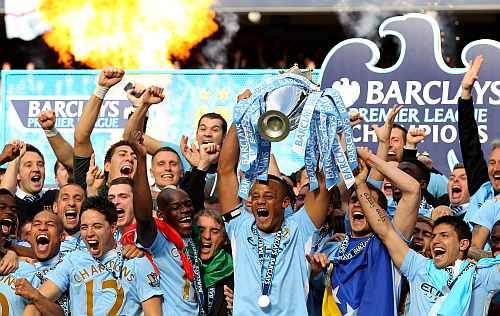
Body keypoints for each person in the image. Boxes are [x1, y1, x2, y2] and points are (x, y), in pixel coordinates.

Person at [356, 149, 500, 316]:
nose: (435, 241)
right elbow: (385, 230)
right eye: (434, 236)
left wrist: (479, 256)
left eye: (444, 235)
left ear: (463, 244)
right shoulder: (418, 267)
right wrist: (360, 184)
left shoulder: (482, 276)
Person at [217, 121, 332, 315]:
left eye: (269, 196)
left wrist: (319, 125)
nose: (260, 202)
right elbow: (225, 171)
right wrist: (240, 117)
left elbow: (321, 181)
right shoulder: (239, 226)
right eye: (255, 197)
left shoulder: (299, 228)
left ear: (285, 202)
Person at [26, 197, 163, 315]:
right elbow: (37, 300)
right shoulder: (73, 260)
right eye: (84, 227)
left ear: (113, 227)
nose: (89, 233)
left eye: (97, 226)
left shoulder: (136, 261)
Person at [130, 130, 199, 315]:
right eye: (176, 207)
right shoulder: (158, 239)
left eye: (188, 205)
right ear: (161, 214)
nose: (185, 210)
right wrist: (142, 160)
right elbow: (144, 216)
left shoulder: (193, 237)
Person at [457, 56, 500, 223]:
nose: (496, 169)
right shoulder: (482, 187)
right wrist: (466, 92)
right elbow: (469, 141)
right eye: (492, 162)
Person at [0, 141, 57, 225]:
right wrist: (11, 159)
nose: (36, 169)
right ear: (17, 174)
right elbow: (5, 194)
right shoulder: (11, 204)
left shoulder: (54, 198)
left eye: (40, 164)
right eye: (28, 165)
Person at [194, 209, 234, 316]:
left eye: (214, 231)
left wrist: (238, 309)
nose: (207, 236)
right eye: (201, 230)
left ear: (225, 239)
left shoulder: (238, 273)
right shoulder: (182, 268)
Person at [52, 183, 87, 253]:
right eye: (65, 199)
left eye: (78, 199)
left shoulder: (94, 242)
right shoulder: (45, 242)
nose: (71, 203)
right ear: (55, 207)